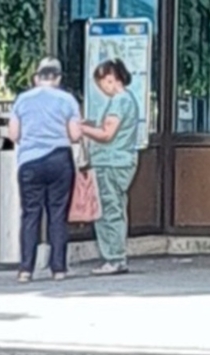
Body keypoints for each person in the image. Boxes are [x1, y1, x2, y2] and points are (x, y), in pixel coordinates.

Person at [8, 57, 82, 282]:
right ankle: (58, 269)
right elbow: (75, 135)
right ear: (58, 78)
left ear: (36, 78)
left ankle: (25, 269)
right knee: (57, 215)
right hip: (59, 160)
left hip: (29, 162)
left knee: (31, 214)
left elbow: (14, 135)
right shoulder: (67, 100)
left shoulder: (22, 100)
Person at [78, 59, 142, 274]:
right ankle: (117, 256)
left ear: (112, 79)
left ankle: (113, 258)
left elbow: (107, 134)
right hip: (122, 161)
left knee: (108, 210)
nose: (102, 87)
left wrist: (82, 129)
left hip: (110, 162)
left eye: (103, 82)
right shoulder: (128, 100)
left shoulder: (118, 102)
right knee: (116, 208)